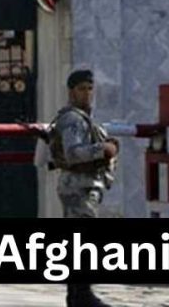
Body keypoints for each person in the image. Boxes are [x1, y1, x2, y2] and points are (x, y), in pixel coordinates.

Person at [48, 69, 119, 307]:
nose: (87, 93)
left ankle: (77, 295)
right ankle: (82, 295)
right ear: (71, 92)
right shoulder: (73, 119)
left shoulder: (83, 118)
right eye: (81, 89)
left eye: (90, 89)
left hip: (85, 187)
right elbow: (73, 153)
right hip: (78, 187)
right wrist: (103, 150)